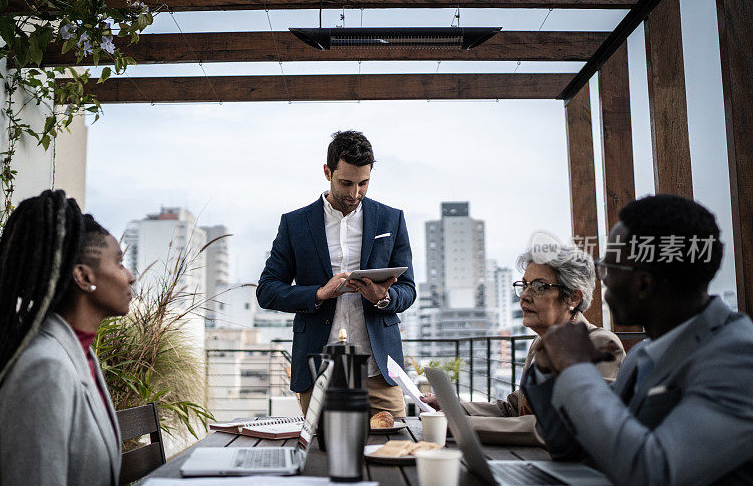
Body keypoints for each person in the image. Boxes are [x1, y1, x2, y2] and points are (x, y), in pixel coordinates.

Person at [522, 194, 753, 486]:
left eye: (608, 269)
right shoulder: (645, 354)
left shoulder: (739, 359)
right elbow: (570, 450)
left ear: (643, 284)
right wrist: (549, 370)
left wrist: (575, 368)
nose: (602, 282)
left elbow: (652, 478)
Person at [0, 190, 135, 486]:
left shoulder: (79, 354)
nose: (130, 275)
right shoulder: (46, 367)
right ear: (83, 276)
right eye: (118, 261)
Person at [258, 130, 416, 418]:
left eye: (363, 183)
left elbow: (408, 289)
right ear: (327, 172)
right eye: (346, 183)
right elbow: (267, 290)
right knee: (319, 457)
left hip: (380, 372)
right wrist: (318, 294)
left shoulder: (392, 219)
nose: (355, 193)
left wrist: (383, 297)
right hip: (318, 371)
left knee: (395, 450)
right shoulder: (295, 224)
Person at [421, 245, 624, 445]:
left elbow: (565, 427)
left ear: (573, 297)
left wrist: (463, 425)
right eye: (525, 285)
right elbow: (514, 409)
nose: (525, 295)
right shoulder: (541, 342)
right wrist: (454, 407)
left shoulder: (599, 345)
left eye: (539, 286)